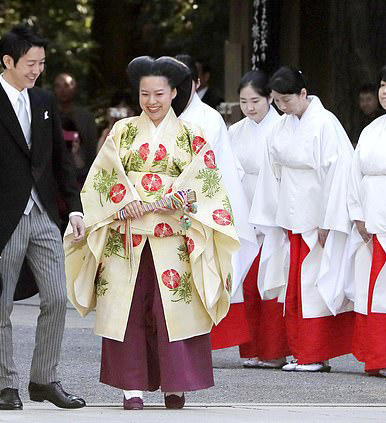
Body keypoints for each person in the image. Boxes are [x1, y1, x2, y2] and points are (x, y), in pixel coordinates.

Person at [65, 56, 239, 410]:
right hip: (127, 234)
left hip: (173, 235)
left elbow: (206, 183)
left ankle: (176, 383)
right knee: (128, 308)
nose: (151, 101)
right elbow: (102, 176)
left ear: (174, 93)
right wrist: (122, 201)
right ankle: (132, 385)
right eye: (145, 94)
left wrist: (181, 197)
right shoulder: (122, 131)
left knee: (172, 308)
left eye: (159, 93)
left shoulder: (192, 135)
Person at [0, 25, 86, 411]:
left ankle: (44, 379)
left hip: (45, 215)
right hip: (1, 222)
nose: (37, 70)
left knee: (57, 298)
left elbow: (60, 160)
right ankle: (7, 385)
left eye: (41, 63)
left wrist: (75, 206)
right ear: (8, 61)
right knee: (0, 304)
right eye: (31, 63)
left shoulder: (45, 101)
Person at [250, 66, 355, 372]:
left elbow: (339, 174)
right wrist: (272, 213)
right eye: (277, 101)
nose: (282, 107)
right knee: (293, 284)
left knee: (314, 284)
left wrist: (328, 220)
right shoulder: (281, 128)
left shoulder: (325, 124)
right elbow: (272, 172)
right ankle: (299, 351)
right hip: (290, 215)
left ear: (303, 93)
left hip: (316, 214)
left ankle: (315, 353)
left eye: (287, 100)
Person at [174, 54, 259, 351]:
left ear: (196, 83)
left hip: (203, 205)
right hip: (169, 206)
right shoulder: (163, 115)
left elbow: (212, 168)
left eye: (182, 83)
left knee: (204, 272)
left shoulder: (208, 119)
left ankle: (199, 338)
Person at [228, 70, 290, 368]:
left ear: (269, 99)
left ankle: (274, 350)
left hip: (273, 210)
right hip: (244, 208)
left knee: (272, 280)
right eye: (243, 102)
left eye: (255, 101)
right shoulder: (234, 131)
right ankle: (252, 348)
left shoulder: (281, 127)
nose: (250, 108)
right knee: (248, 282)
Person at [346, 63, 386, 378]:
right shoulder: (372, 129)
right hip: (372, 216)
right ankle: (377, 356)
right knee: (372, 287)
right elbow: (355, 174)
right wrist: (358, 214)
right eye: (383, 85)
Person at [53, 72, 98, 182]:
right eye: (58, 86)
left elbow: (92, 148)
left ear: (74, 88)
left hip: (81, 176)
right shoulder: (48, 116)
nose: (62, 90)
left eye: (66, 86)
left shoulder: (86, 117)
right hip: (54, 177)